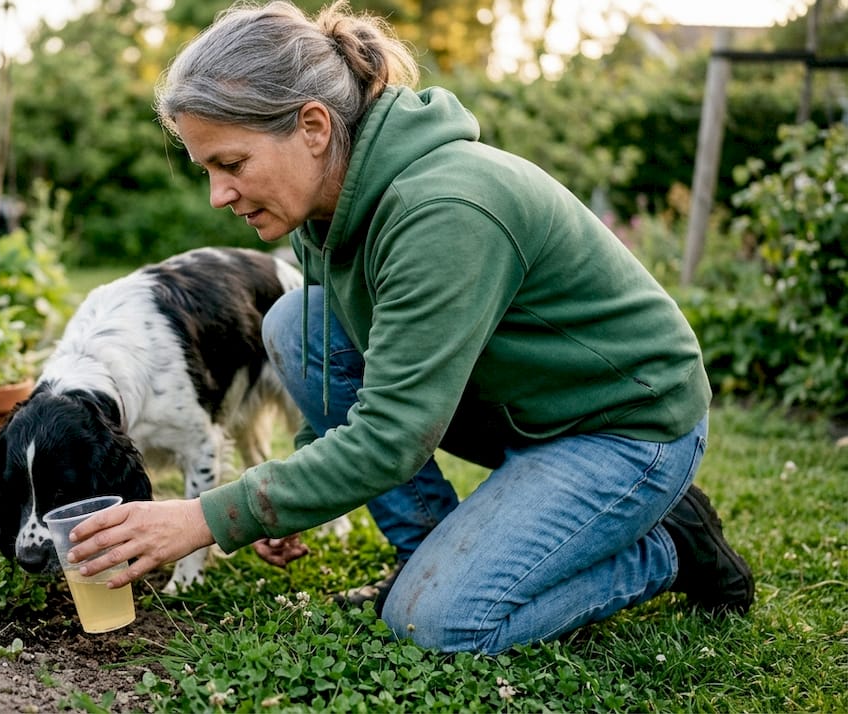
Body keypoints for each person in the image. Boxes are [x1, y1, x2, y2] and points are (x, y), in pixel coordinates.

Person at [64, 0, 754, 654]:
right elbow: (346, 387)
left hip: (620, 428)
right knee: (297, 322)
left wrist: (209, 517)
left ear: (313, 126)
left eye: (232, 164)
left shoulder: (443, 211)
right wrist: (284, 502)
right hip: (513, 408)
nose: (219, 195)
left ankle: (665, 547)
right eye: (207, 170)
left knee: (440, 624)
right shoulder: (327, 209)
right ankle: (423, 551)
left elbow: (391, 434)